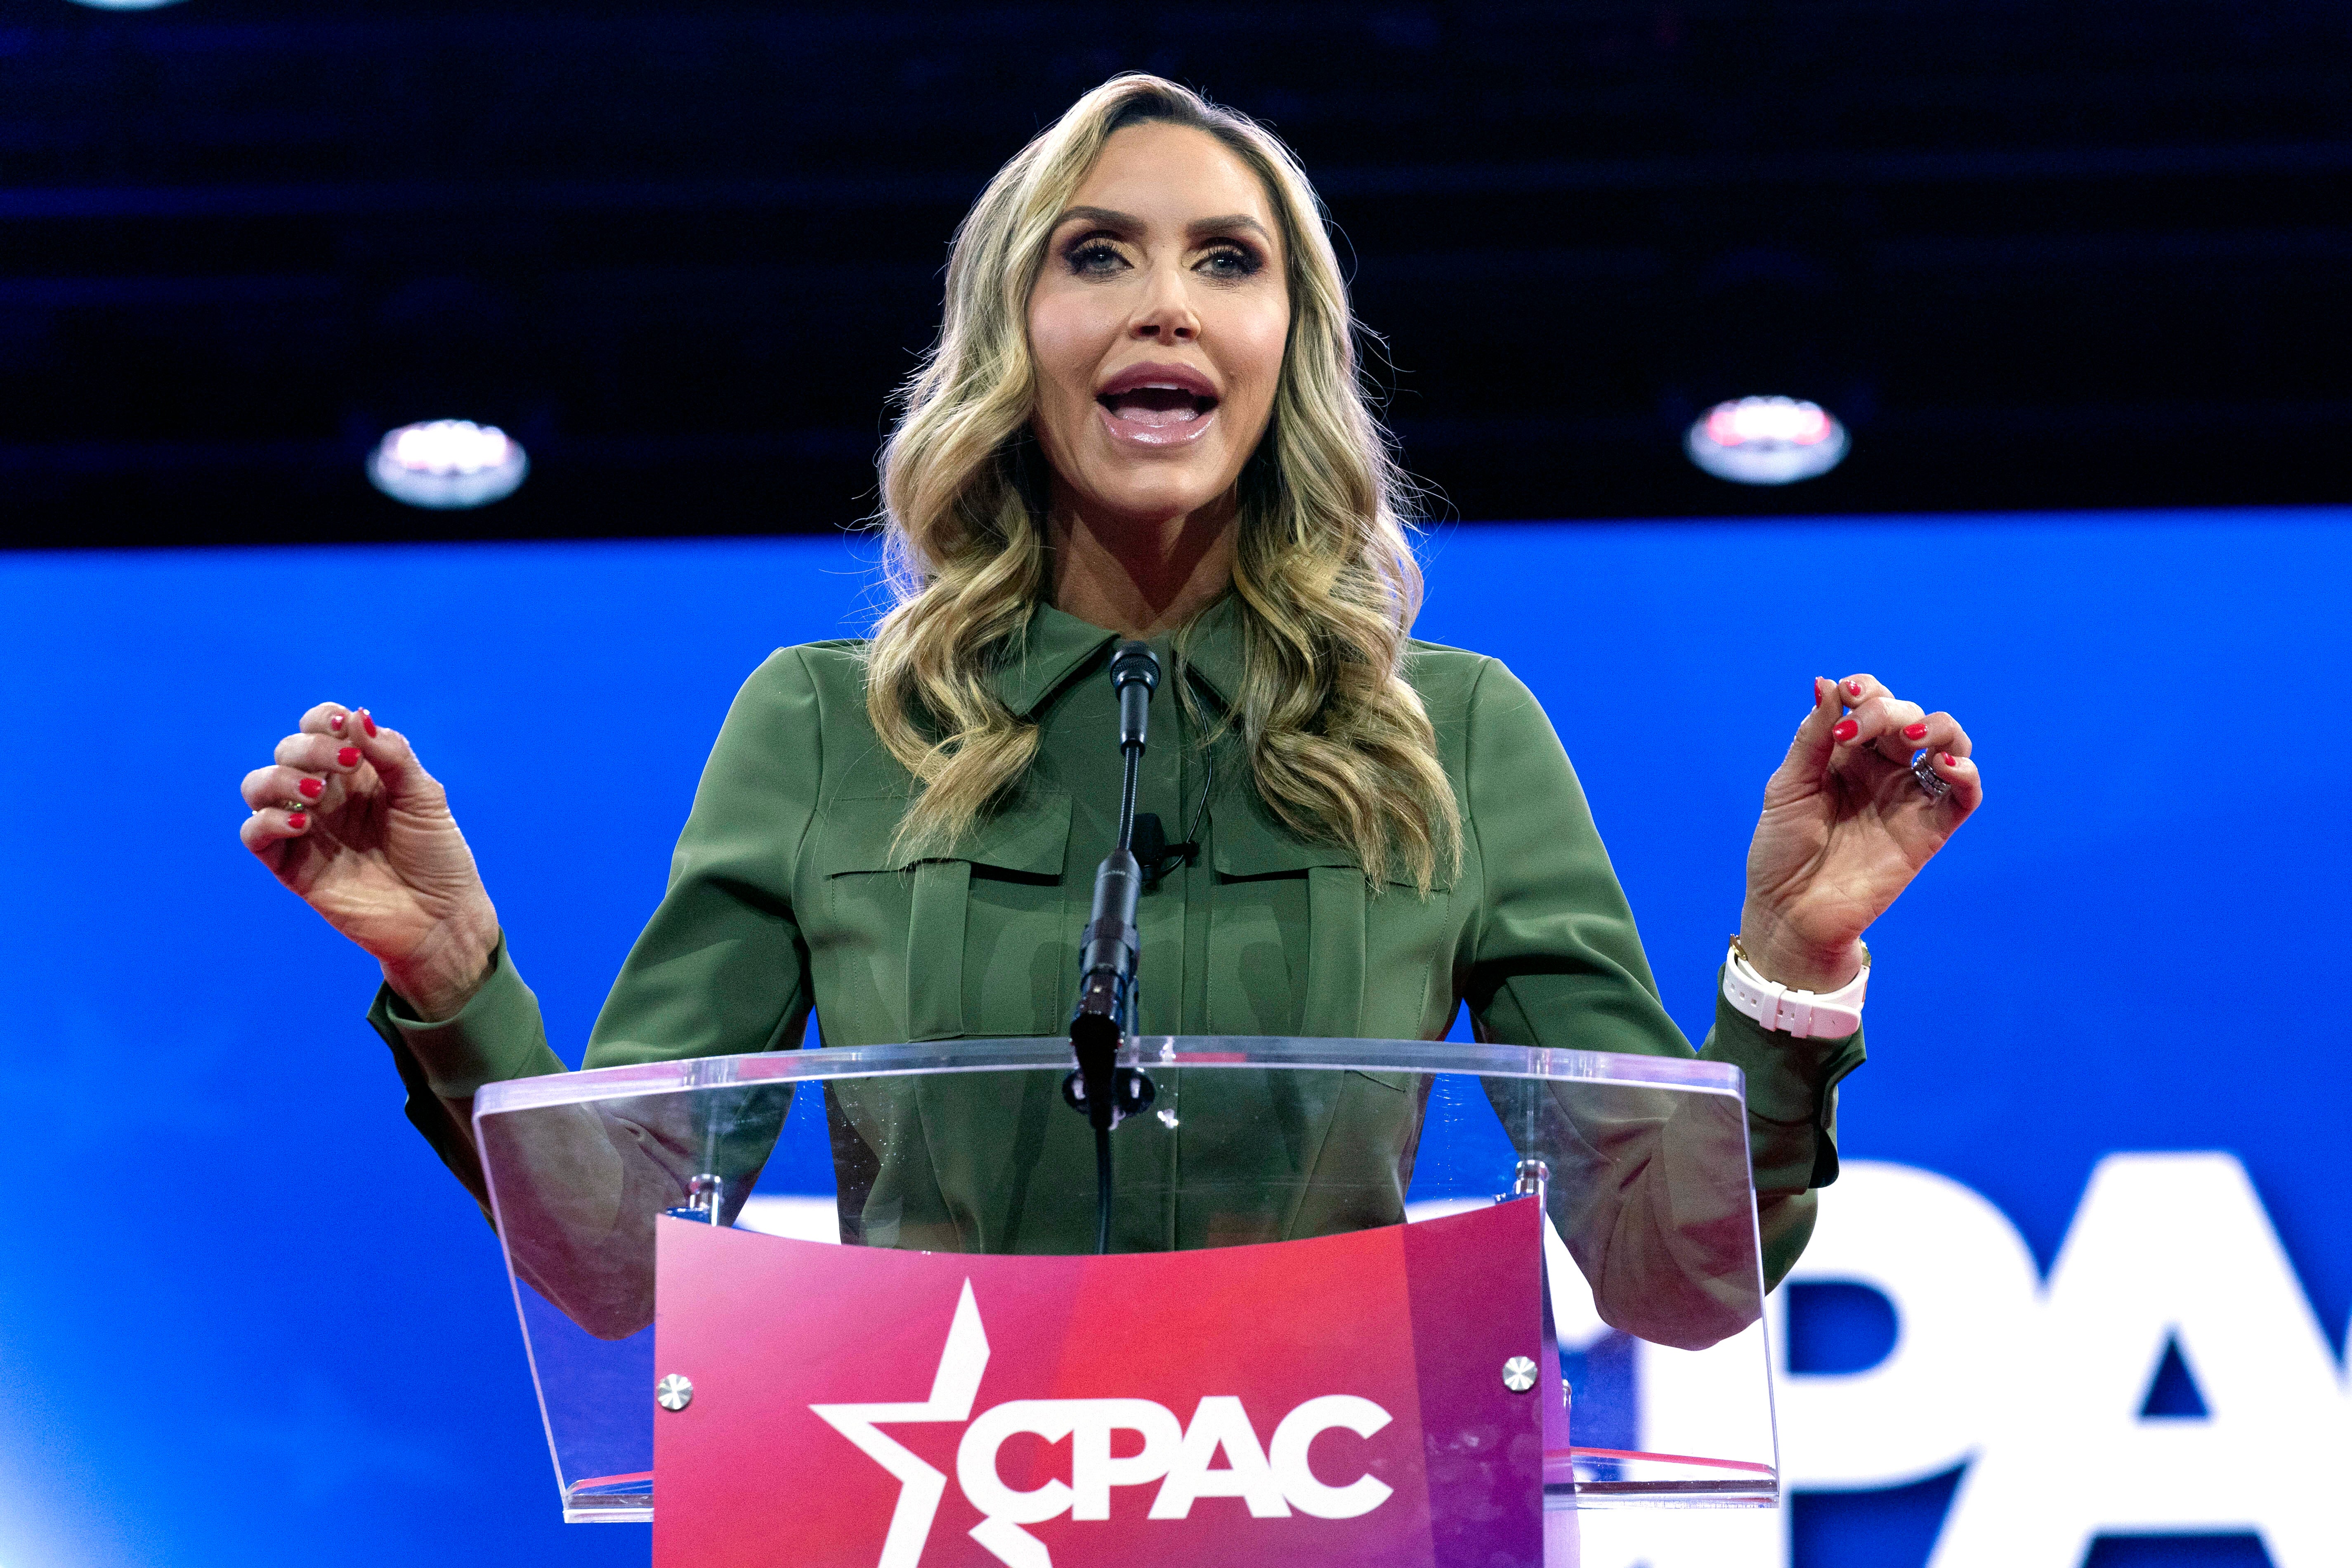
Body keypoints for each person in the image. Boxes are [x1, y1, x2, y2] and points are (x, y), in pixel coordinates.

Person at [238, 76, 1978, 1322]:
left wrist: (1792, 970)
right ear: (1014, 331)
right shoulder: (825, 727)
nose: (1166, 301)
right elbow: (620, 1254)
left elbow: (1671, 1276)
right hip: (918, 1499)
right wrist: (454, 981)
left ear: (1290, 344)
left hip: (1324, 1507)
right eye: (1099, 256)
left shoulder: (1454, 733)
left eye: (1230, 261)